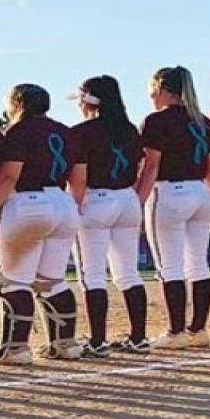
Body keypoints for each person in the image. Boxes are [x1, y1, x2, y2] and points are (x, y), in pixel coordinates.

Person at [0, 84, 83, 364]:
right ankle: (65, 343)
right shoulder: (66, 132)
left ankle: (15, 348)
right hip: (63, 202)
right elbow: (79, 181)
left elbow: (8, 177)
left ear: (17, 102)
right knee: (52, 281)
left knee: (13, 280)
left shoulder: (19, 131)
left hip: (26, 202)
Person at [68, 74, 150, 355]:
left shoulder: (81, 132)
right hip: (126, 197)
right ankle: (139, 337)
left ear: (89, 101)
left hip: (96, 198)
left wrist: (73, 208)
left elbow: (79, 179)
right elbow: (142, 168)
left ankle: (97, 340)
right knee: (128, 272)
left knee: (92, 274)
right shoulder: (129, 129)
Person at [138, 66, 210, 348]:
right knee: (198, 262)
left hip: (169, 191)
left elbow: (151, 165)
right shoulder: (202, 120)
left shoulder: (156, 121)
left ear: (160, 88)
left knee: (169, 264)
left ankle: (176, 331)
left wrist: (137, 200)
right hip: (201, 191)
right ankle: (198, 329)